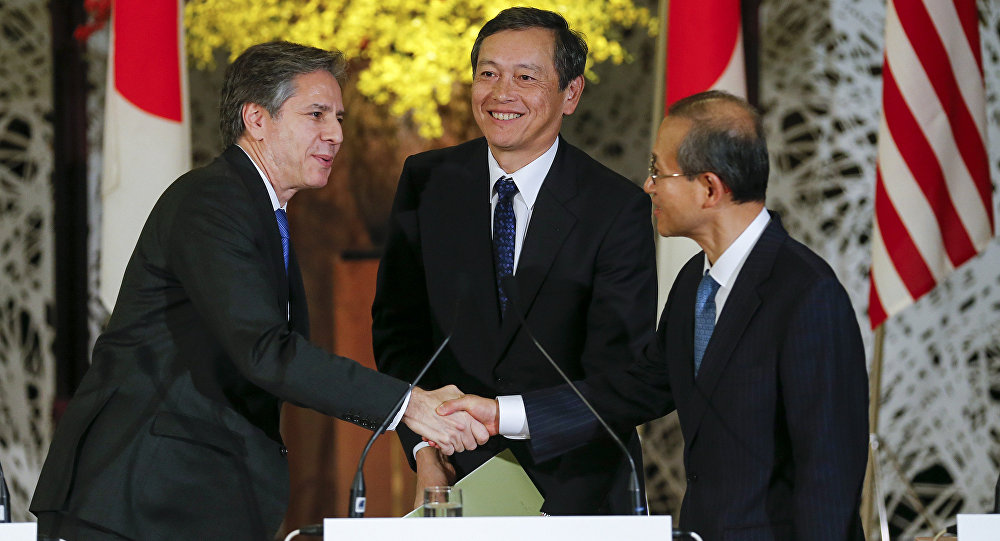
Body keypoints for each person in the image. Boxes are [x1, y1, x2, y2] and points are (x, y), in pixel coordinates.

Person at [30, 41, 487, 540]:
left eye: (338, 117)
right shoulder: (212, 201)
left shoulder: (267, 216)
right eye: (316, 114)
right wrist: (410, 405)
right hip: (136, 503)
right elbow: (267, 353)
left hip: (192, 502)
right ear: (257, 118)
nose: (335, 134)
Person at [440, 90, 870, 540]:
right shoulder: (692, 283)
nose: (648, 186)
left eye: (659, 172)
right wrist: (501, 414)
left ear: (709, 188)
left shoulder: (806, 294)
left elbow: (830, 471)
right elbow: (636, 389)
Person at [372, 7, 656, 514]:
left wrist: (509, 416)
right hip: (458, 478)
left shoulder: (615, 207)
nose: (502, 94)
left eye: (526, 77)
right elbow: (399, 334)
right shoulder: (427, 182)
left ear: (571, 93)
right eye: (488, 74)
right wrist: (424, 449)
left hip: (579, 491)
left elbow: (622, 376)